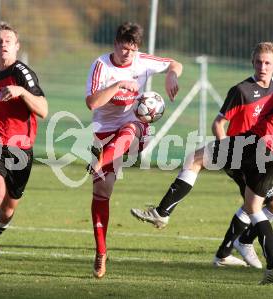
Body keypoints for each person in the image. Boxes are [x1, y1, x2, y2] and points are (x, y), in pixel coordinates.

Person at [131, 33, 273, 284]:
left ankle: (165, 214)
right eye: (258, 62)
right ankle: (272, 265)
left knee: (197, 159)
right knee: (255, 208)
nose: (263, 66)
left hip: (257, 145)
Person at [85, 22, 182, 278]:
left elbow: (175, 63)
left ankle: (99, 162)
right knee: (102, 192)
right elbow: (92, 102)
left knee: (131, 127)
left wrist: (172, 73)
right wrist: (118, 85)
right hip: (104, 131)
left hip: (135, 129)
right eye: (124, 48)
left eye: (132, 48)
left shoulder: (141, 60)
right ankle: (101, 252)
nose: (128, 53)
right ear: (115, 44)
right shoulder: (101, 66)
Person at [0, 22, 48, 268]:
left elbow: (43, 110)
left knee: (8, 210)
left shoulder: (22, 73)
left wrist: (21, 92)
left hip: (20, 149)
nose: (3, 44)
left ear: (17, 46)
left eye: (8, 41)